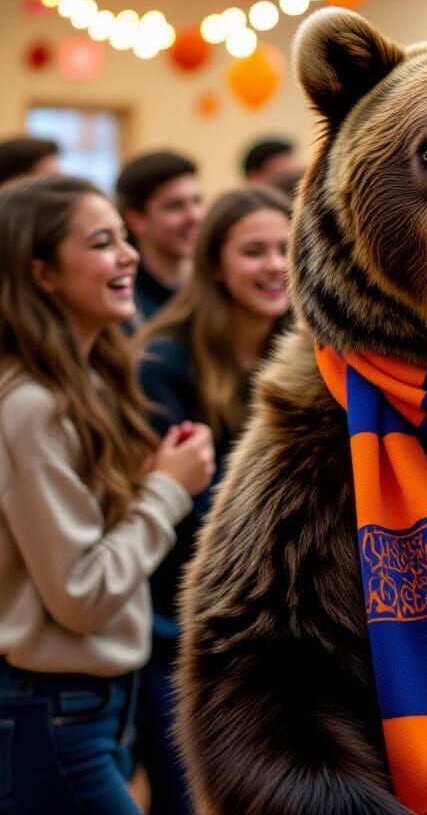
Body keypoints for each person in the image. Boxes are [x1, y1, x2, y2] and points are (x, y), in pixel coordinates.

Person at [0, 175, 214, 815]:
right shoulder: (30, 407)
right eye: (101, 244)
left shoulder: (89, 382)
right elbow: (81, 597)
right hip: (50, 712)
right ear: (42, 274)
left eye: (124, 239)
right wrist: (167, 491)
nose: (127, 256)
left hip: (92, 706)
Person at [133, 186, 292, 815]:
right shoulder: (163, 360)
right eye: (253, 252)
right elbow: (176, 515)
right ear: (215, 265)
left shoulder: (313, 350)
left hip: (279, 626)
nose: (275, 265)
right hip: (178, 632)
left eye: (284, 249)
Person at [115, 152, 204, 323]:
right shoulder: (122, 302)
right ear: (137, 220)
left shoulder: (211, 289)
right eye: (175, 206)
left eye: (197, 201)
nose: (194, 216)